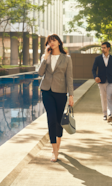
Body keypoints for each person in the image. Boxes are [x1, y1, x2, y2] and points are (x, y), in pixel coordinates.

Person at [38, 34, 74, 162]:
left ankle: (58, 144)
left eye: (54, 40)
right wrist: (45, 57)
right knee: (51, 119)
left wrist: (71, 95)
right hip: (46, 91)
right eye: (49, 41)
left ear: (59, 42)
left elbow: (69, 77)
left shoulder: (67, 58)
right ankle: (54, 150)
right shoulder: (45, 57)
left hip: (60, 92)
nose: (51, 43)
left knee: (59, 121)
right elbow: (40, 73)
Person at [92, 42, 112, 122]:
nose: (102, 49)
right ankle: (104, 114)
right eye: (102, 47)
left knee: (109, 97)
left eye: (104, 47)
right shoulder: (97, 59)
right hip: (101, 81)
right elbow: (93, 69)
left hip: (111, 81)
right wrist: (95, 77)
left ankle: (109, 114)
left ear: (108, 48)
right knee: (103, 98)